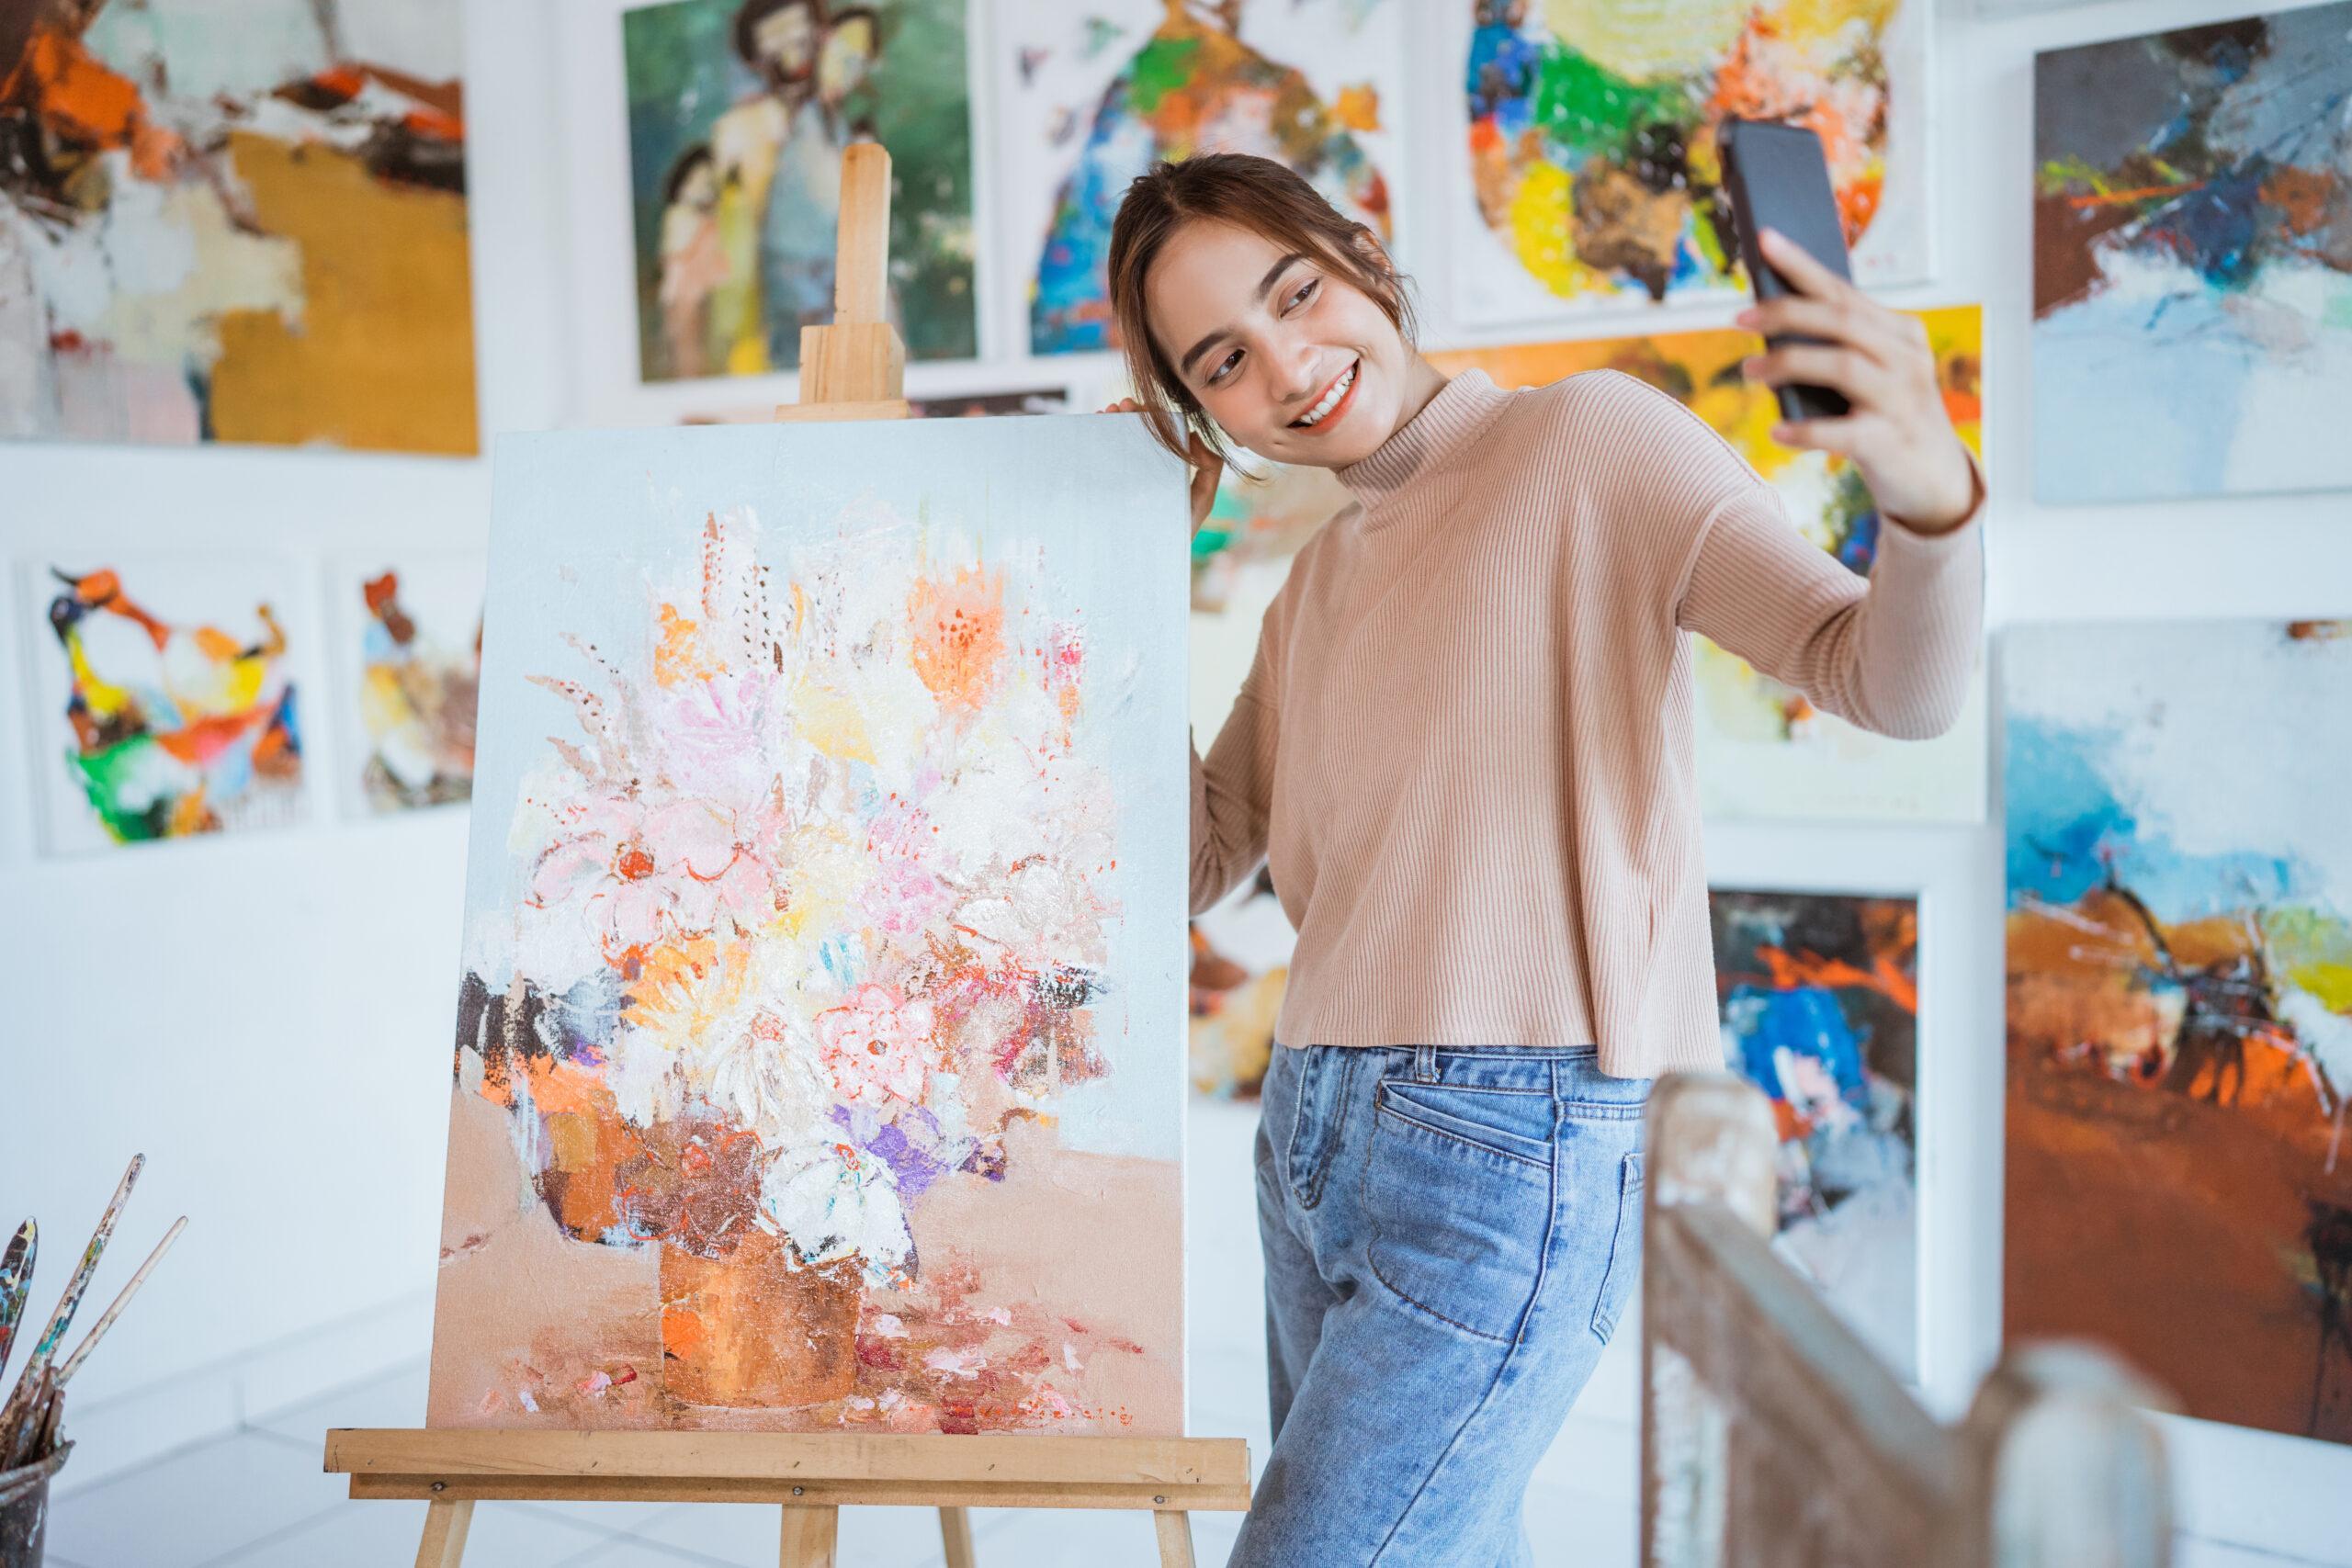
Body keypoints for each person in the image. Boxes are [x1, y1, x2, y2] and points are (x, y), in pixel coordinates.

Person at [1100, 152, 1983, 1567]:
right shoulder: (1315, 582)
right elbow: (1185, 863)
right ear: (1206, 411)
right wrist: (1115, 586)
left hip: (1513, 1135)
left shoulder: (1594, 440)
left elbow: (1886, 681)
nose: (1288, 363)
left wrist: (1931, 495)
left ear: (1358, 252)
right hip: (1312, 1135)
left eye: (1296, 292)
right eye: (1224, 361)